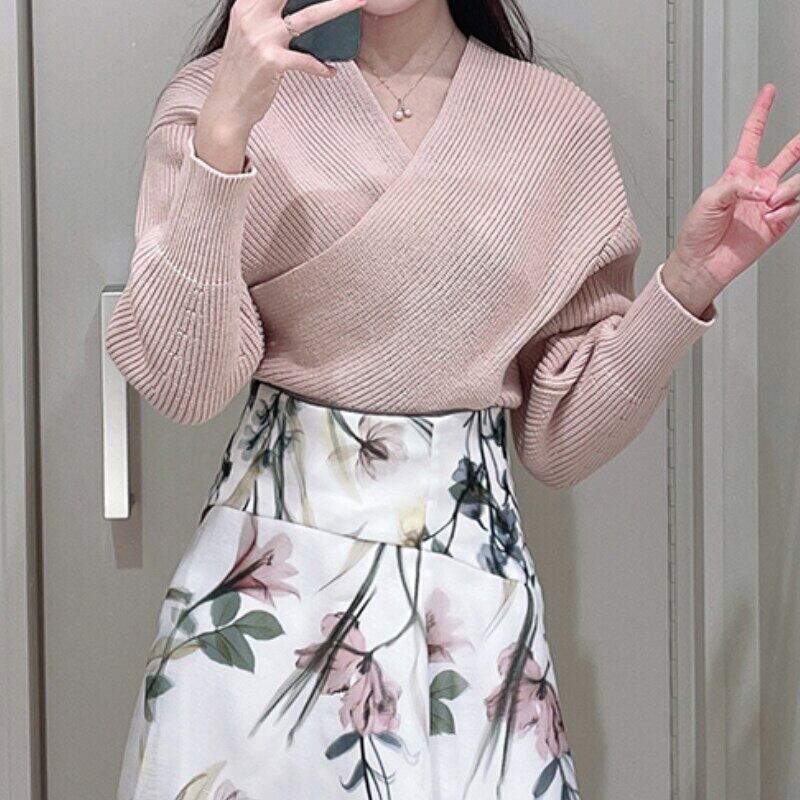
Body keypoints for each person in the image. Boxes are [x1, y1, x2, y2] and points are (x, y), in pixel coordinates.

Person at [107, 1, 800, 798]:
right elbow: (185, 384)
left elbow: (561, 439)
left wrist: (684, 286)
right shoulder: (216, 97)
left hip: (466, 606)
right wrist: (224, 129)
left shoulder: (554, 125)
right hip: (266, 598)